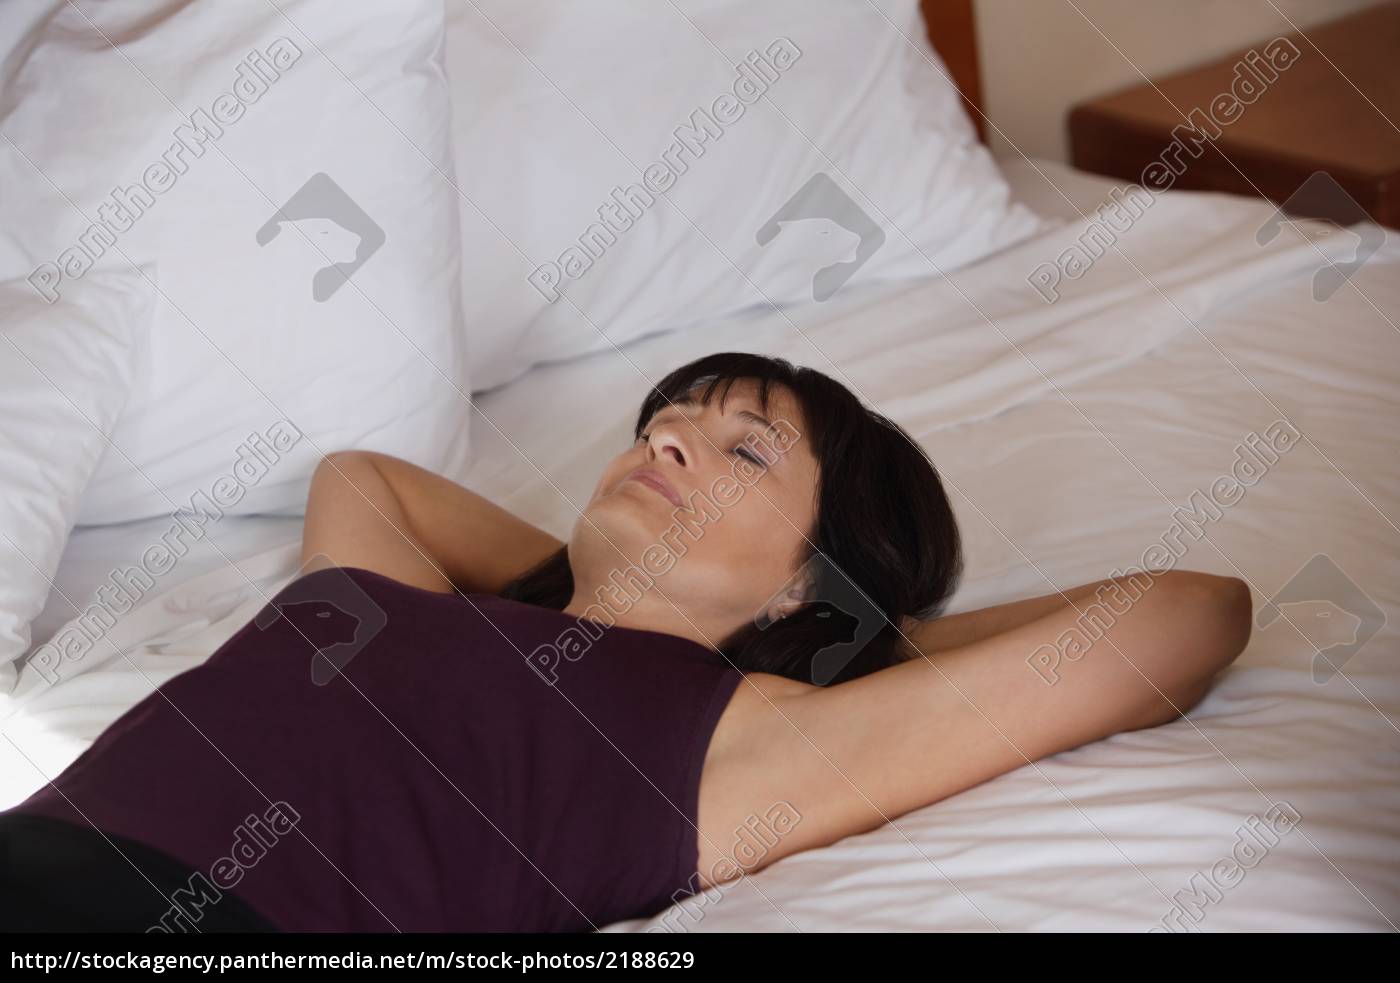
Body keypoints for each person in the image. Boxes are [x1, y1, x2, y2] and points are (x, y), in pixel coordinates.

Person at [0, 352, 1251, 932]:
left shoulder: (735, 737)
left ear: (809, 587)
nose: (663, 442)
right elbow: (366, 476)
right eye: (665, 423)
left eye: (740, 449)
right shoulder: (406, 602)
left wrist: (857, 640)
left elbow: (1185, 615)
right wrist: (581, 576)